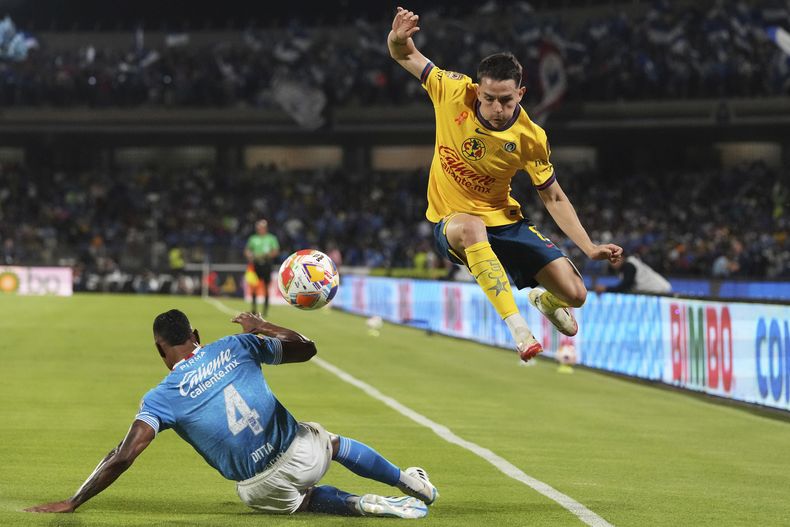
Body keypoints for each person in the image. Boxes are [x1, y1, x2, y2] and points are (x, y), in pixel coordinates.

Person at [25, 310, 438, 518]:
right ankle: (407, 481)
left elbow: (123, 455)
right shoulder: (235, 346)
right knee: (333, 443)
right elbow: (307, 348)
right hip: (302, 452)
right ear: (196, 337)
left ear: (159, 350)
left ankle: (357, 504)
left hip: (259, 488)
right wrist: (263, 325)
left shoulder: (160, 397)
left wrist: (75, 501)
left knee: (305, 498)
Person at [388, 7, 623, 362]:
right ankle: (517, 328)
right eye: (489, 99)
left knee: (576, 294)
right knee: (471, 226)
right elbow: (404, 53)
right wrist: (398, 36)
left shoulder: (531, 138)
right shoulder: (451, 91)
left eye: (506, 100)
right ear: (477, 90)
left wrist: (588, 247)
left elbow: (554, 196)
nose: (496, 108)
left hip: (505, 221)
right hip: (451, 222)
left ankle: (543, 299)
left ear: (521, 94)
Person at [244, 219, 280, 316]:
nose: (260, 229)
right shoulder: (253, 238)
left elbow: (275, 251)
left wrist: (266, 255)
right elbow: (247, 250)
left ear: (265, 228)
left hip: (267, 265)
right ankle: (254, 309)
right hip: (256, 265)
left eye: (262, 228)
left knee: (266, 287)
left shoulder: (271, 238)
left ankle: (265, 310)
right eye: (259, 228)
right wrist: (250, 256)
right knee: (254, 286)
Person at [594, 255, 672, 294]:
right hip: (656, 291)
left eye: (615, 259)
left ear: (622, 257)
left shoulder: (629, 265)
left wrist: (605, 289)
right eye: (610, 261)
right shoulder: (627, 265)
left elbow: (625, 285)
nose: (613, 263)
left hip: (661, 291)